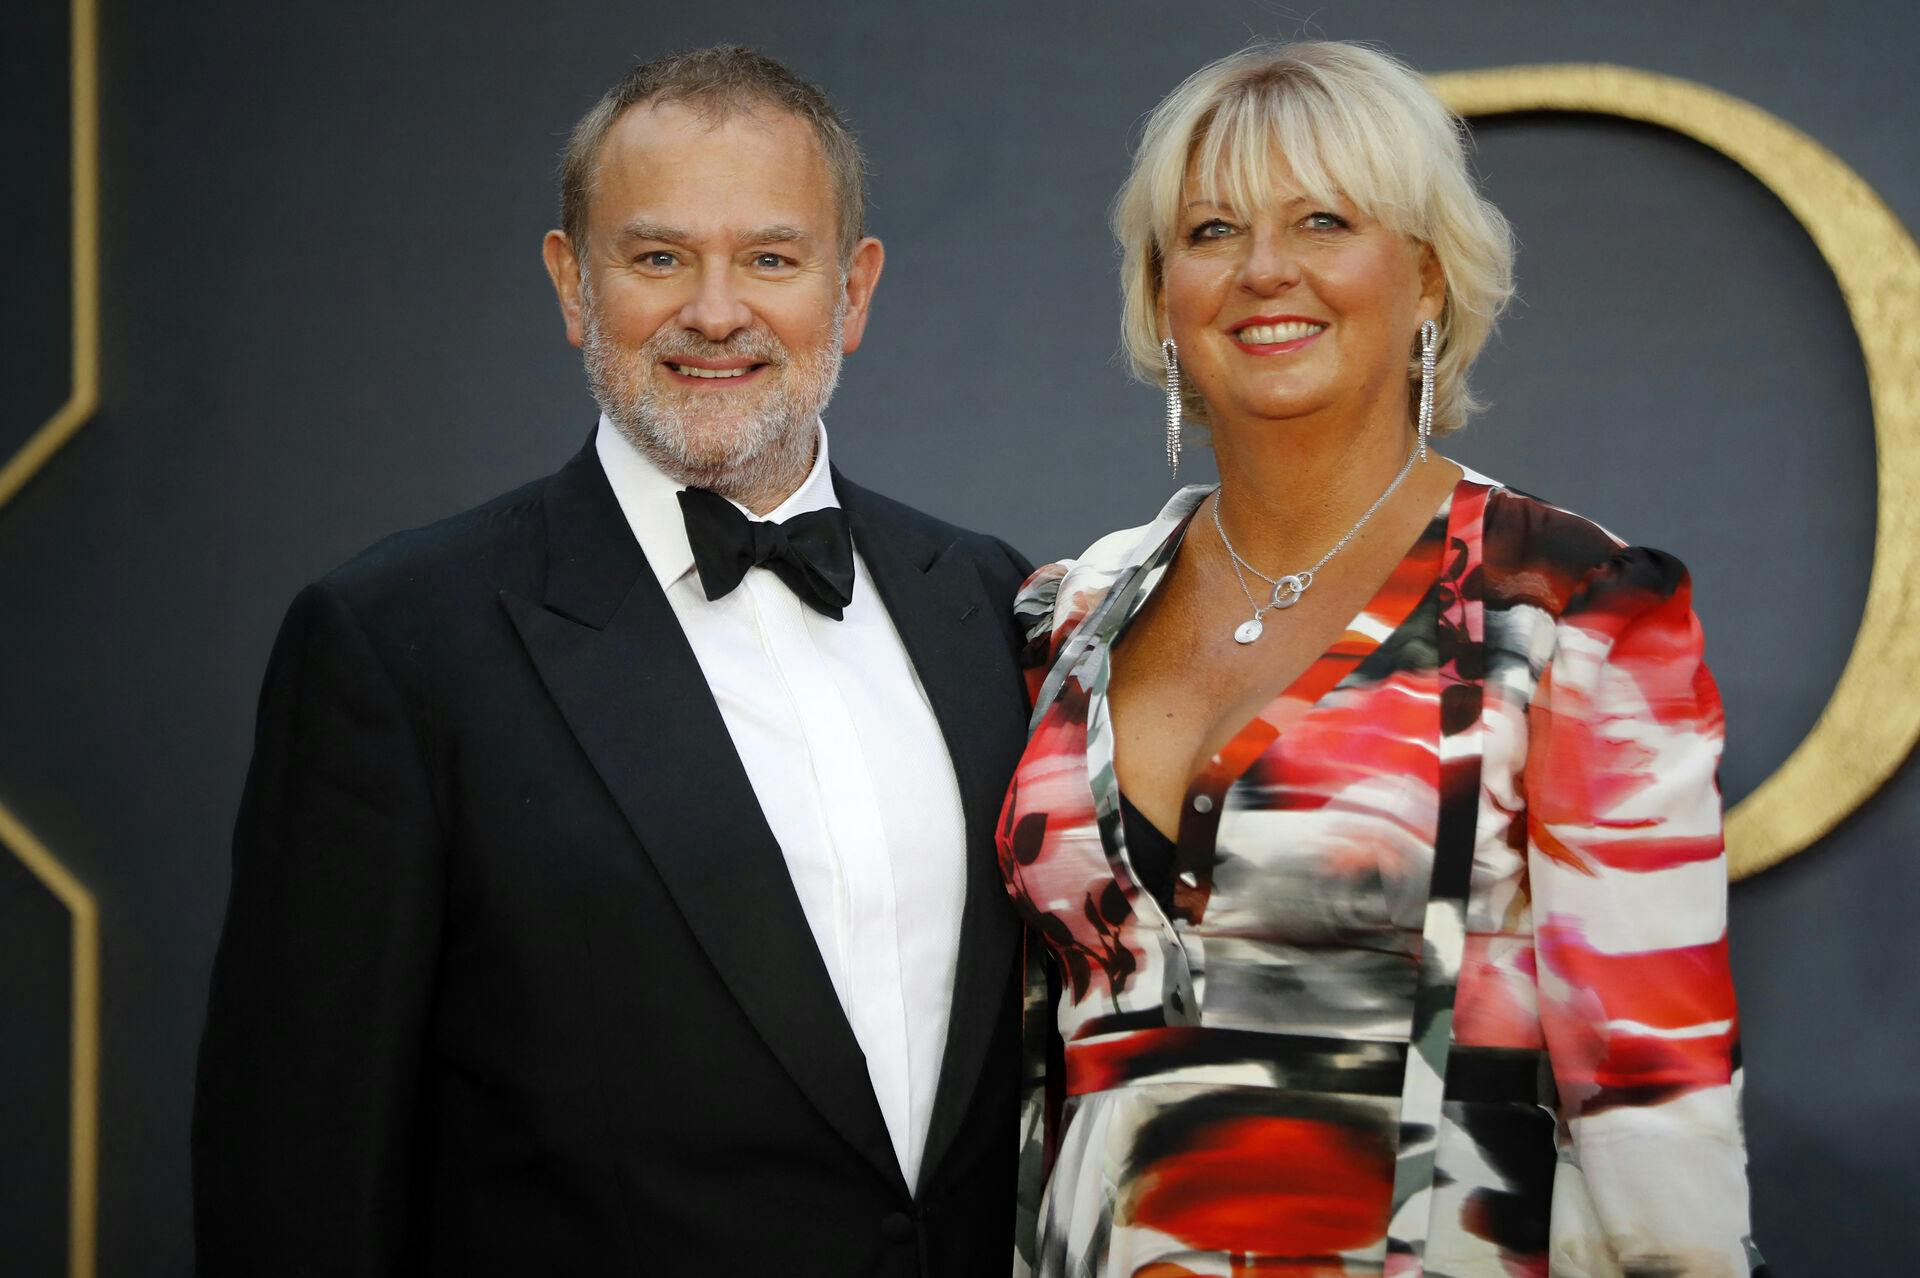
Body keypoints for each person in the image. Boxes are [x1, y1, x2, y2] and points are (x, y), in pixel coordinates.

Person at [193, 45, 1032, 1275]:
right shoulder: (396, 642)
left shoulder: (991, 601)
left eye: (770, 257)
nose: (714, 310)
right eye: (657, 258)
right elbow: (297, 1173)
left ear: (852, 290)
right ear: (572, 284)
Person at [999, 41, 1762, 1277]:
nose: (1263, 271)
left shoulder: (1571, 604)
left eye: (1322, 220)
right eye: (1209, 232)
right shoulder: (1068, 612)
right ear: (1159, 293)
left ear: (1424, 277)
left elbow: (1651, 1088)